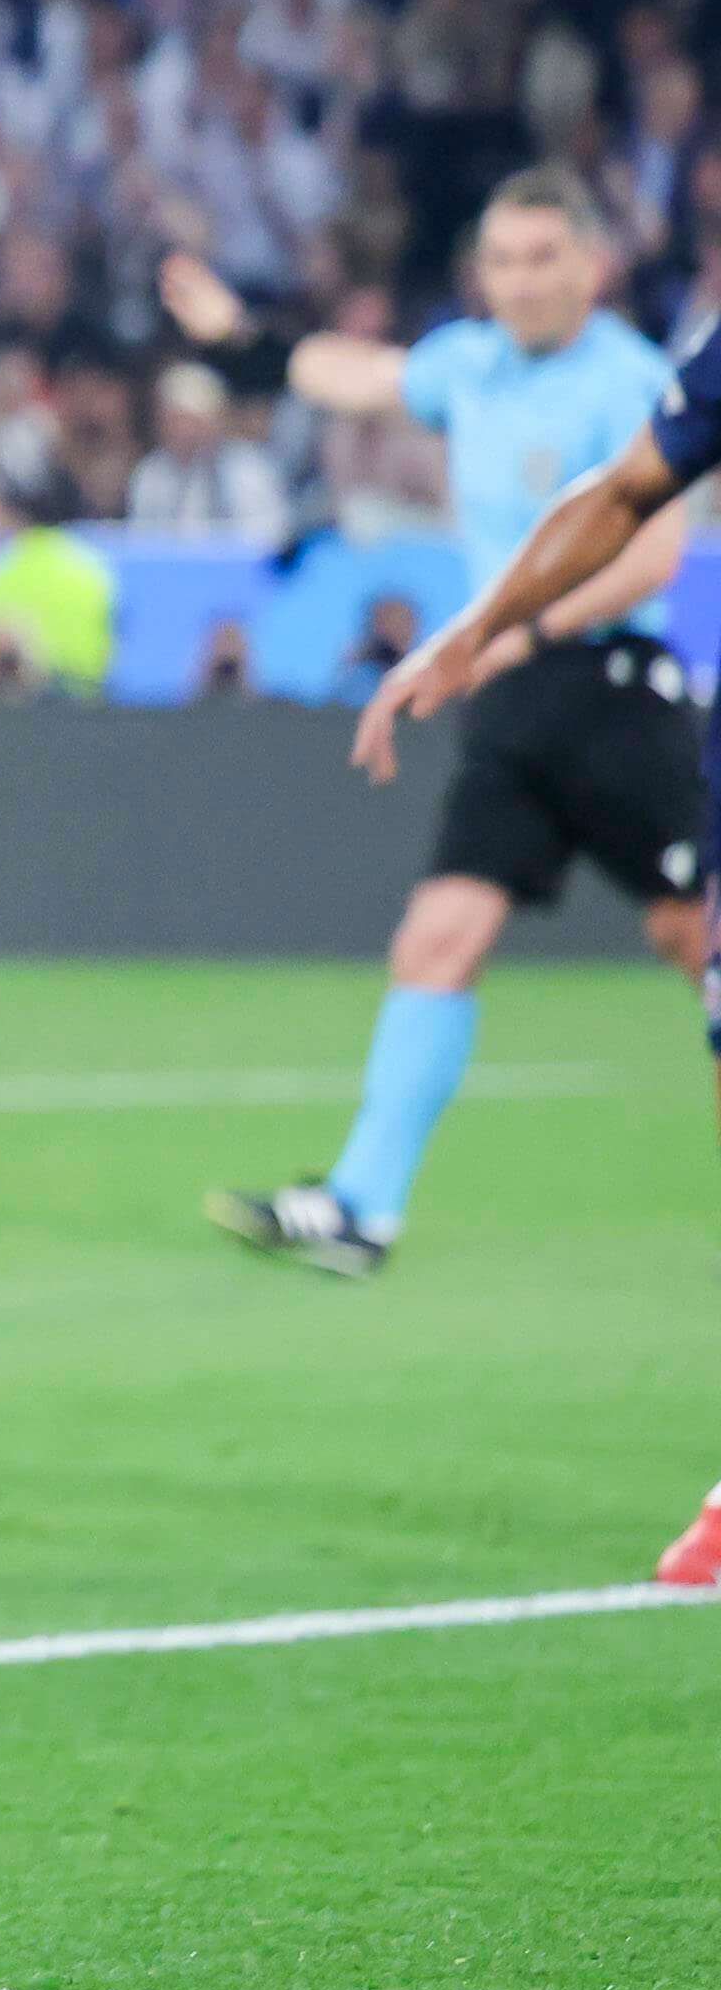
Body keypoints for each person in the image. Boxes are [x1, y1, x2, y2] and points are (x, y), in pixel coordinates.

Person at [171, 179, 698, 1276]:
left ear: (589, 267)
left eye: (543, 255)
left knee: (694, 941)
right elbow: (351, 374)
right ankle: (362, 1206)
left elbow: (651, 552)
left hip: (610, 689)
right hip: (508, 704)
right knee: (436, 939)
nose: (519, 278)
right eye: (500, 258)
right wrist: (239, 337)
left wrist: (514, 629)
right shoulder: (469, 363)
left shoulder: (631, 379)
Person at [358, 285, 721, 1581]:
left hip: (618, 698)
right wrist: (480, 627)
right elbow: (623, 495)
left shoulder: (616, 359)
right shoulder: (686, 370)